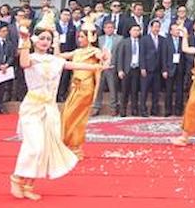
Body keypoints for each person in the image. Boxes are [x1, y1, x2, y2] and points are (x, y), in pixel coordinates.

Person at [9, 17, 101, 200]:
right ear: (35, 40)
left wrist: (99, 66)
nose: (45, 42)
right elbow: (24, 62)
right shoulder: (32, 58)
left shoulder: (54, 60)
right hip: (33, 107)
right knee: (34, 145)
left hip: (49, 109)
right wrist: (24, 38)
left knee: (44, 148)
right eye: (42, 38)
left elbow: (73, 64)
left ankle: (28, 185)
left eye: (48, 39)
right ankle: (17, 178)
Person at [60, 18, 103, 160]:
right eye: (79, 36)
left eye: (82, 36)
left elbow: (103, 57)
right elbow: (60, 56)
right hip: (75, 88)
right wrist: (54, 41)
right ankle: (69, 145)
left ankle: (74, 146)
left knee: (76, 117)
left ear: (90, 37)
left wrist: (105, 57)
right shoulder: (77, 52)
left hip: (86, 88)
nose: (79, 39)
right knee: (67, 115)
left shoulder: (94, 51)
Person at [91, 20, 123, 116]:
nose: (109, 29)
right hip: (101, 66)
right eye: (107, 27)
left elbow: (120, 54)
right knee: (99, 88)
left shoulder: (119, 39)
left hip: (112, 66)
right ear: (104, 29)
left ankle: (113, 107)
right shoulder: (100, 39)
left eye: (111, 27)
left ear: (114, 28)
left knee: (113, 88)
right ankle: (96, 107)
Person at [139, 19, 165, 117]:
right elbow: (141, 54)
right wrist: (142, 67)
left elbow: (163, 55)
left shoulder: (162, 39)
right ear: (151, 28)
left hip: (157, 70)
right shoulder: (144, 39)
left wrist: (163, 69)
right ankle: (143, 110)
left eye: (158, 27)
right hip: (147, 69)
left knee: (156, 91)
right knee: (144, 91)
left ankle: (154, 110)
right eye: (155, 27)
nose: (156, 29)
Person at [117, 24, 142, 116]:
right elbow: (120, 57)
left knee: (134, 91)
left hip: (137, 69)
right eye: (134, 30)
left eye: (138, 30)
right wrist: (120, 70)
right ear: (130, 31)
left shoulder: (141, 42)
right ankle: (123, 110)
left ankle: (134, 110)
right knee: (124, 91)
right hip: (126, 69)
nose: (136, 32)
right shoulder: (124, 42)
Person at [163, 24, 187, 116]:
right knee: (168, 90)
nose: (177, 31)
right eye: (175, 30)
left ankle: (178, 110)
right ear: (171, 31)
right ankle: (168, 110)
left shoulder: (182, 40)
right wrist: (164, 69)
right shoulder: (166, 41)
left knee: (179, 91)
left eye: (178, 30)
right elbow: (164, 56)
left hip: (180, 68)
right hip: (169, 68)